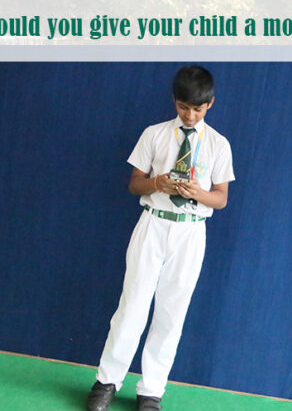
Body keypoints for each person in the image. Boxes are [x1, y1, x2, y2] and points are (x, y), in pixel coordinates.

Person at [87, 65, 235, 411]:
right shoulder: (154, 134)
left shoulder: (218, 144)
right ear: (175, 101)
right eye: (184, 107)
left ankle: (151, 391)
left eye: (197, 109)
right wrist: (158, 183)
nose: (189, 114)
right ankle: (106, 381)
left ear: (209, 105)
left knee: (172, 311)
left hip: (190, 230)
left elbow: (222, 198)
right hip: (153, 223)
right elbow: (134, 182)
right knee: (132, 304)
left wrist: (198, 193)